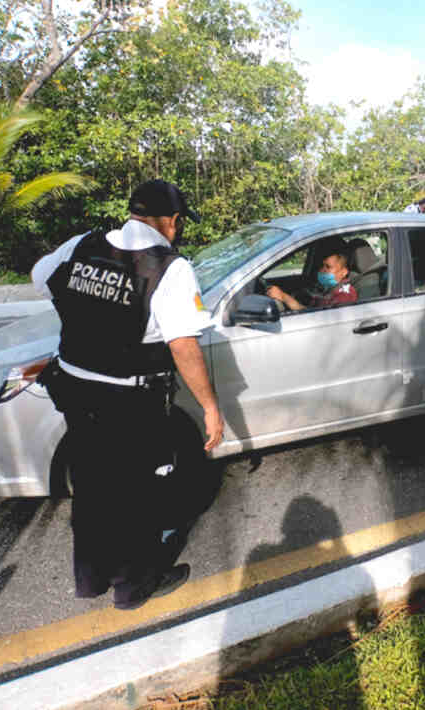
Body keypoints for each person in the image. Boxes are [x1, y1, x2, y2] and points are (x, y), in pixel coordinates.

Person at [31, 178, 224, 610]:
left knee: (92, 485)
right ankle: (133, 587)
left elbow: (41, 280)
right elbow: (183, 346)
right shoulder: (169, 268)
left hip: (76, 392)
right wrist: (210, 407)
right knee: (138, 493)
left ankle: (91, 577)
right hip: (129, 403)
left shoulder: (83, 243)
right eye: (177, 223)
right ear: (171, 222)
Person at [265, 238, 358, 312]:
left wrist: (283, 296)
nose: (322, 270)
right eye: (322, 266)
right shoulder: (325, 288)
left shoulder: (344, 296)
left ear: (344, 272)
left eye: (328, 267)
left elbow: (315, 319)